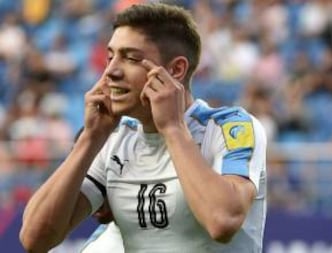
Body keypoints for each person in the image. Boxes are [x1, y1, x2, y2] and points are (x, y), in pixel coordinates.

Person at [19, 3, 267, 253]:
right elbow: (35, 239)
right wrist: (90, 140)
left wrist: (172, 128)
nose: (111, 72)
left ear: (176, 69)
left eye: (131, 58)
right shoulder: (114, 139)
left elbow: (223, 222)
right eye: (110, 57)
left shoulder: (229, 127)